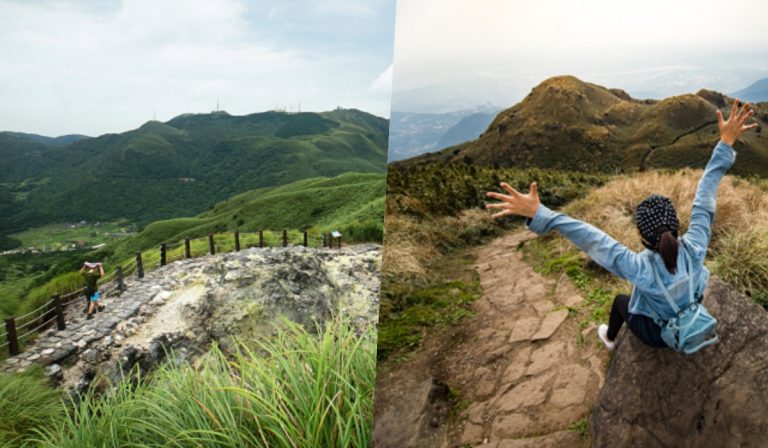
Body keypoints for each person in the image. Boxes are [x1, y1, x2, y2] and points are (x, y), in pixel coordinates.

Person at [485, 100, 758, 350]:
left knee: (619, 303)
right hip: (692, 313)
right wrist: (726, 141)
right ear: (677, 224)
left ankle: (611, 339)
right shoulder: (696, 248)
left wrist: (542, 214)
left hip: (658, 336)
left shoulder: (640, 269)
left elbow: (593, 239)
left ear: (640, 233)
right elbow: (704, 199)